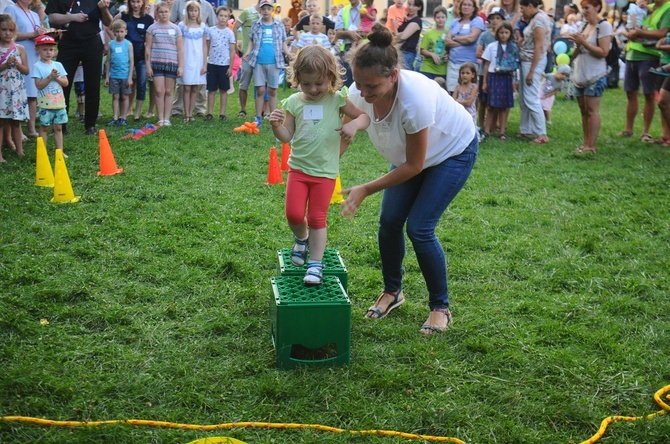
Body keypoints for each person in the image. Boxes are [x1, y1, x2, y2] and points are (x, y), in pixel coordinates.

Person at [341, 24, 478, 334]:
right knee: (389, 221)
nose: (363, 93)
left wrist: (366, 188)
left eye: (371, 86)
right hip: (411, 158)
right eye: (358, 83)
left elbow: (415, 165)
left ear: (393, 76)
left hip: (452, 152)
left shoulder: (413, 99)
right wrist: (323, 169)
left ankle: (440, 307)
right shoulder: (358, 92)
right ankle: (393, 292)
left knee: (420, 228)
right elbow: (342, 134)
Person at [269, 45, 370, 285]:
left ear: (331, 78)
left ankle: (315, 264)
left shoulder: (337, 100)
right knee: (293, 214)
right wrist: (276, 126)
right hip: (298, 169)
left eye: (319, 83)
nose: (314, 89)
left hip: (325, 172)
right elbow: (287, 136)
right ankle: (301, 239)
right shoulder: (293, 102)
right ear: (298, 80)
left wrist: (353, 126)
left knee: (317, 217)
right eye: (307, 84)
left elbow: (364, 117)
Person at [45, 0, 113, 135]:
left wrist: (104, 10)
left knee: (93, 85)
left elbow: (108, 22)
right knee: (62, 83)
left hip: (92, 41)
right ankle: (60, 124)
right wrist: (72, 17)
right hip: (69, 42)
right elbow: (52, 17)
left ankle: (90, 124)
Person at [620, 0, 670, 142]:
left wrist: (640, 32)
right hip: (633, 52)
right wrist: (630, 31)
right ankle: (629, 129)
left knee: (651, 95)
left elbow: (662, 32)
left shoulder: (667, 8)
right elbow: (634, 23)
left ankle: (646, 132)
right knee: (631, 92)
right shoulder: (648, 8)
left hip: (651, 55)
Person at [568, 0, 612, 155]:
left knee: (592, 110)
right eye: (583, 8)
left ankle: (591, 146)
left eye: (587, 8)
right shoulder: (583, 26)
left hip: (595, 74)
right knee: (583, 110)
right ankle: (586, 143)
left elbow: (603, 52)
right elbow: (574, 54)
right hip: (580, 74)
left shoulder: (604, 26)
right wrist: (577, 45)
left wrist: (584, 43)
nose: (584, 11)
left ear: (597, 7)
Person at [5, 0, 47, 139]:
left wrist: (44, 35)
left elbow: (37, 33)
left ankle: (31, 128)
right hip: (18, 54)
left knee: (32, 93)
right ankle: (18, 131)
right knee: (19, 92)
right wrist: (32, 34)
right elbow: (9, 34)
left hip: (34, 54)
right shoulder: (11, 9)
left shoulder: (35, 15)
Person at [244, 0, 288, 128]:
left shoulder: (279, 25)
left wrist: (288, 53)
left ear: (272, 10)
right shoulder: (256, 24)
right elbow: (251, 41)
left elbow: (283, 41)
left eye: (269, 9)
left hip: (274, 62)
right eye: (263, 9)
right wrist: (248, 52)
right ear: (260, 10)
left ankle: (274, 118)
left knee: (272, 90)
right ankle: (258, 117)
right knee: (260, 89)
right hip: (259, 62)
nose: (266, 11)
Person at [518, 0, 551, 144]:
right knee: (523, 97)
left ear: (531, 6)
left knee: (531, 97)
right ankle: (526, 129)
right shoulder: (535, 18)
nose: (522, 11)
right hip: (527, 60)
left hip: (532, 62)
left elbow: (538, 47)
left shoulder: (539, 21)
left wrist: (532, 71)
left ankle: (541, 134)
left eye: (523, 8)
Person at [146, 1, 183, 126]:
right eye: (161, 12)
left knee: (168, 91)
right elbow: (148, 48)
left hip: (171, 63)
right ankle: (160, 117)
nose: (163, 14)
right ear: (157, 13)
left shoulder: (176, 29)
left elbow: (180, 49)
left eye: (166, 12)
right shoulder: (152, 28)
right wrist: (148, 66)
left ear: (170, 12)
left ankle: (167, 118)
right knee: (159, 91)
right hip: (156, 63)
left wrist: (181, 66)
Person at [116, 0, 154, 122]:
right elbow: (110, 27)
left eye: (138, 2)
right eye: (133, 2)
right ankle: (125, 111)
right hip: (125, 57)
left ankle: (137, 113)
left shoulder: (148, 19)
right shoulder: (123, 15)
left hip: (142, 56)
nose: (136, 5)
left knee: (142, 83)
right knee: (125, 83)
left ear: (143, 3)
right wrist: (116, 42)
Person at [481, 20, 519, 140]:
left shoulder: (513, 48)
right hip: (494, 77)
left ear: (510, 33)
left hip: (506, 77)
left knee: (503, 106)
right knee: (491, 105)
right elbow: (486, 65)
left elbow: (515, 66)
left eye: (506, 32)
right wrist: (485, 82)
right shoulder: (491, 47)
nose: (504, 35)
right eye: (501, 32)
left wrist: (514, 82)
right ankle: (487, 130)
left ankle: (502, 131)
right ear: (498, 34)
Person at [32, 35, 68, 156]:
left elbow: (66, 83)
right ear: (37, 50)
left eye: (51, 49)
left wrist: (56, 77)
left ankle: (60, 151)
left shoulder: (58, 65)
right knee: (44, 127)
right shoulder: (37, 66)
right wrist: (49, 77)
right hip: (45, 103)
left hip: (59, 103)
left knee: (58, 127)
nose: (48, 52)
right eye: (45, 49)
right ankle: (42, 152)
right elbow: (39, 85)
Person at [0, 14, 29, 162]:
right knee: (1, 121)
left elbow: (26, 70)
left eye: (10, 30)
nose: (7, 33)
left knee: (16, 122)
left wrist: (17, 64)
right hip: (2, 89)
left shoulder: (20, 48)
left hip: (16, 89)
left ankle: (20, 151)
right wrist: (5, 65)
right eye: (3, 30)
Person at [444, 0, 486, 92]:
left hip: (468, 64)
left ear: (474, 8)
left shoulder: (477, 20)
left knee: (467, 93)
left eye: (469, 5)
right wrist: (463, 41)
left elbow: (472, 38)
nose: (466, 7)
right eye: (464, 5)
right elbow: (447, 40)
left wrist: (454, 38)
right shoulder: (455, 22)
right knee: (452, 92)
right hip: (452, 63)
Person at [476, 6, 505, 133]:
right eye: (492, 18)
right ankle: (481, 124)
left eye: (498, 18)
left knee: (494, 101)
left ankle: (493, 126)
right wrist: (490, 57)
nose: (495, 21)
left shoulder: (504, 35)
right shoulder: (485, 35)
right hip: (485, 72)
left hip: (498, 74)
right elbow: (478, 52)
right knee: (483, 101)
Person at [178, 1, 207, 123]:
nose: (193, 13)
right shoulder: (182, 26)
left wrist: (205, 63)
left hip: (198, 59)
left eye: (196, 10)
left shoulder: (203, 26)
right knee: (187, 87)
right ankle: (187, 113)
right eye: (191, 10)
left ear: (199, 12)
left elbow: (205, 45)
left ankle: (192, 112)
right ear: (187, 11)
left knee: (195, 87)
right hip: (187, 59)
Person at [205, 5, 235, 121]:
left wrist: (230, 67)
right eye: (221, 16)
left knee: (223, 90)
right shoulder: (211, 30)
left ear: (228, 18)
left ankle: (222, 113)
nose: (223, 18)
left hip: (224, 65)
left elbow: (232, 51)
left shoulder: (229, 33)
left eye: (225, 16)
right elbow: (207, 47)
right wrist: (205, 62)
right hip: (212, 64)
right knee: (211, 89)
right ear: (217, 16)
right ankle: (210, 112)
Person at [233, 0, 260, 118]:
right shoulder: (247, 12)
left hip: (261, 54)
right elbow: (235, 27)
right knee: (244, 83)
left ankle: (261, 111)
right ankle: (243, 110)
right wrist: (235, 44)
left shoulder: (267, 13)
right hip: (247, 54)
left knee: (261, 85)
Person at [105, 19, 134, 125]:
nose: (119, 34)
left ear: (126, 32)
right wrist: (107, 76)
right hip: (114, 75)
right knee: (115, 96)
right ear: (113, 32)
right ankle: (115, 117)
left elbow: (131, 61)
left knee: (125, 96)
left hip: (125, 75)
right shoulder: (111, 44)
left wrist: (130, 77)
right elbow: (108, 61)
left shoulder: (128, 44)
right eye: (117, 31)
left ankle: (123, 117)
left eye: (121, 31)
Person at [334, 0, 363, 87]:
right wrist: (349, 33)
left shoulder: (367, 9)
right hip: (347, 49)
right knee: (347, 81)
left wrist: (360, 35)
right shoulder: (343, 11)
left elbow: (373, 29)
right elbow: (338, 33)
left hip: (363, 48)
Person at [420, 5, 448, 80]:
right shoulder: (429, 33)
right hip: (427, 68)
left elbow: (450, 49)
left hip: (442, 70)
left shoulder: (448, 33)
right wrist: (431, 54)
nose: (440, 20)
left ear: (446, 18)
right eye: (438, 17)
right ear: (434, 19)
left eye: (443, 17)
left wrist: (447, 56)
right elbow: (422, 50)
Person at [395, 0, 423, 71]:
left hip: (407, 54)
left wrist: (395, 35)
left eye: (414, 5)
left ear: (419, 7)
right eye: (409, 4)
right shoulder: (404, 19)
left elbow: (402, 37)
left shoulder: (417, 21)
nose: (411, 7)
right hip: (399, 52)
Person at [452, 62, 478, 127]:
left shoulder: (474, 87)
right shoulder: (457, 87)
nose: (464, 75)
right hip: (459, 113)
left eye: (467, 73)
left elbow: (469, 103)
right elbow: (452, 101)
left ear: (473, 75)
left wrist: (458, 101)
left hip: (470, 114)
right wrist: (459, 101)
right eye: (462, 73)